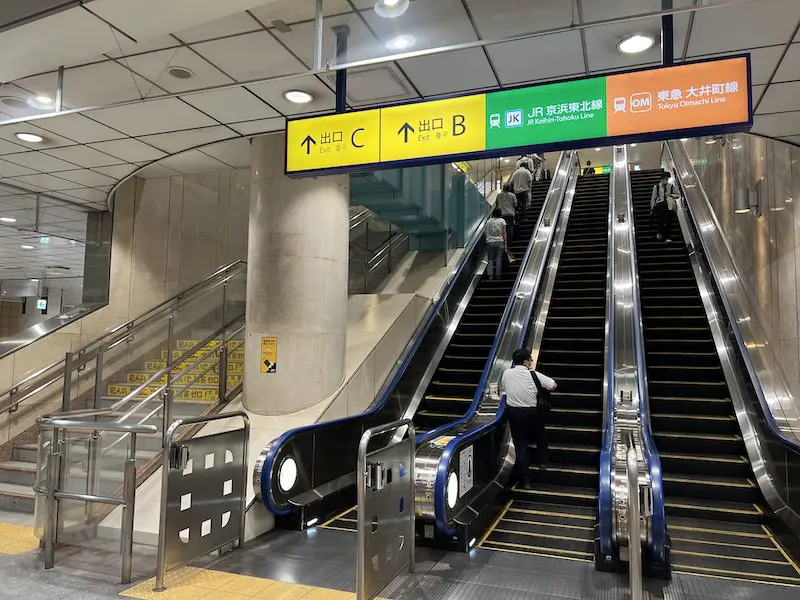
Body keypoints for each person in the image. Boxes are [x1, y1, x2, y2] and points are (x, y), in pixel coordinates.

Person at [501, 348, 557, 489]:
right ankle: (544, 461)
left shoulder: (506, 373)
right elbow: (553, 385)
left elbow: (504, 389)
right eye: (531, 359)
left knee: (521, 446)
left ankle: (526, 481)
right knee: (540, 435)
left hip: (514, 413)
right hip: (533, 413)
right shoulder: (534, 374)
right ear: (526, 361)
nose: (532, 361)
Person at [651, 172, 680, 242]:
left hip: (669, 206)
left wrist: (671, 195)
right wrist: (652, 208)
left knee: (668, 220)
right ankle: (667, 236)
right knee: (663, 220)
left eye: (667, 179)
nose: (665, 180)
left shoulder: (671, 186)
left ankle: (660, 232)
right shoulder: (657, 187)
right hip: (660, 205)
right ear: (661, 179)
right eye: (664, 179)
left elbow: (678, 195)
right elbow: (653, 198)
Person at [485, 207, 507, 280]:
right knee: (498, 259)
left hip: (490, 241)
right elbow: (504, 233)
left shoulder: (488, 221)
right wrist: (505, 243)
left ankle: (490, 276)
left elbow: (486, 232)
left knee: (490, 259)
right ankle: (498, 276)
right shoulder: (502, 221)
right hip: (499, 241)